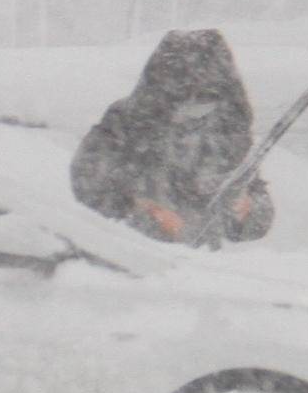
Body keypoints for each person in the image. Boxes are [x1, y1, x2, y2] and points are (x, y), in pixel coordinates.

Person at [72, 29, 277, 247]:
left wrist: (248, 210)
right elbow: (88, 184)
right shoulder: (126, 123)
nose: (195, 106)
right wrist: (144, 211)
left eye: (208, 97)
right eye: (185, 96)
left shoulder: (227, 131)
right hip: (126, 255)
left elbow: (255, 204)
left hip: (201, 264)